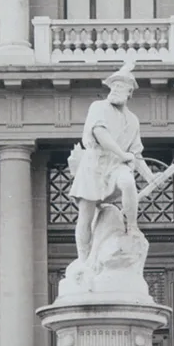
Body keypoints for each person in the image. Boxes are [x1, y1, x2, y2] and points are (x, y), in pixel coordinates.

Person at [67, 58, 153, 272]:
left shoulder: (133, 120)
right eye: (114, 86)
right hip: (94, 166)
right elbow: (100, 133)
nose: (115, 90)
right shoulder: (98, 107)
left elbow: (136, 154)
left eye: (121, 87)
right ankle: (84, 259)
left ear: (130, 93)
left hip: (116, 167)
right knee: (85, 215)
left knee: (127, 181)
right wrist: (122, 154)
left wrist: (150, 176)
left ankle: (132, 227)